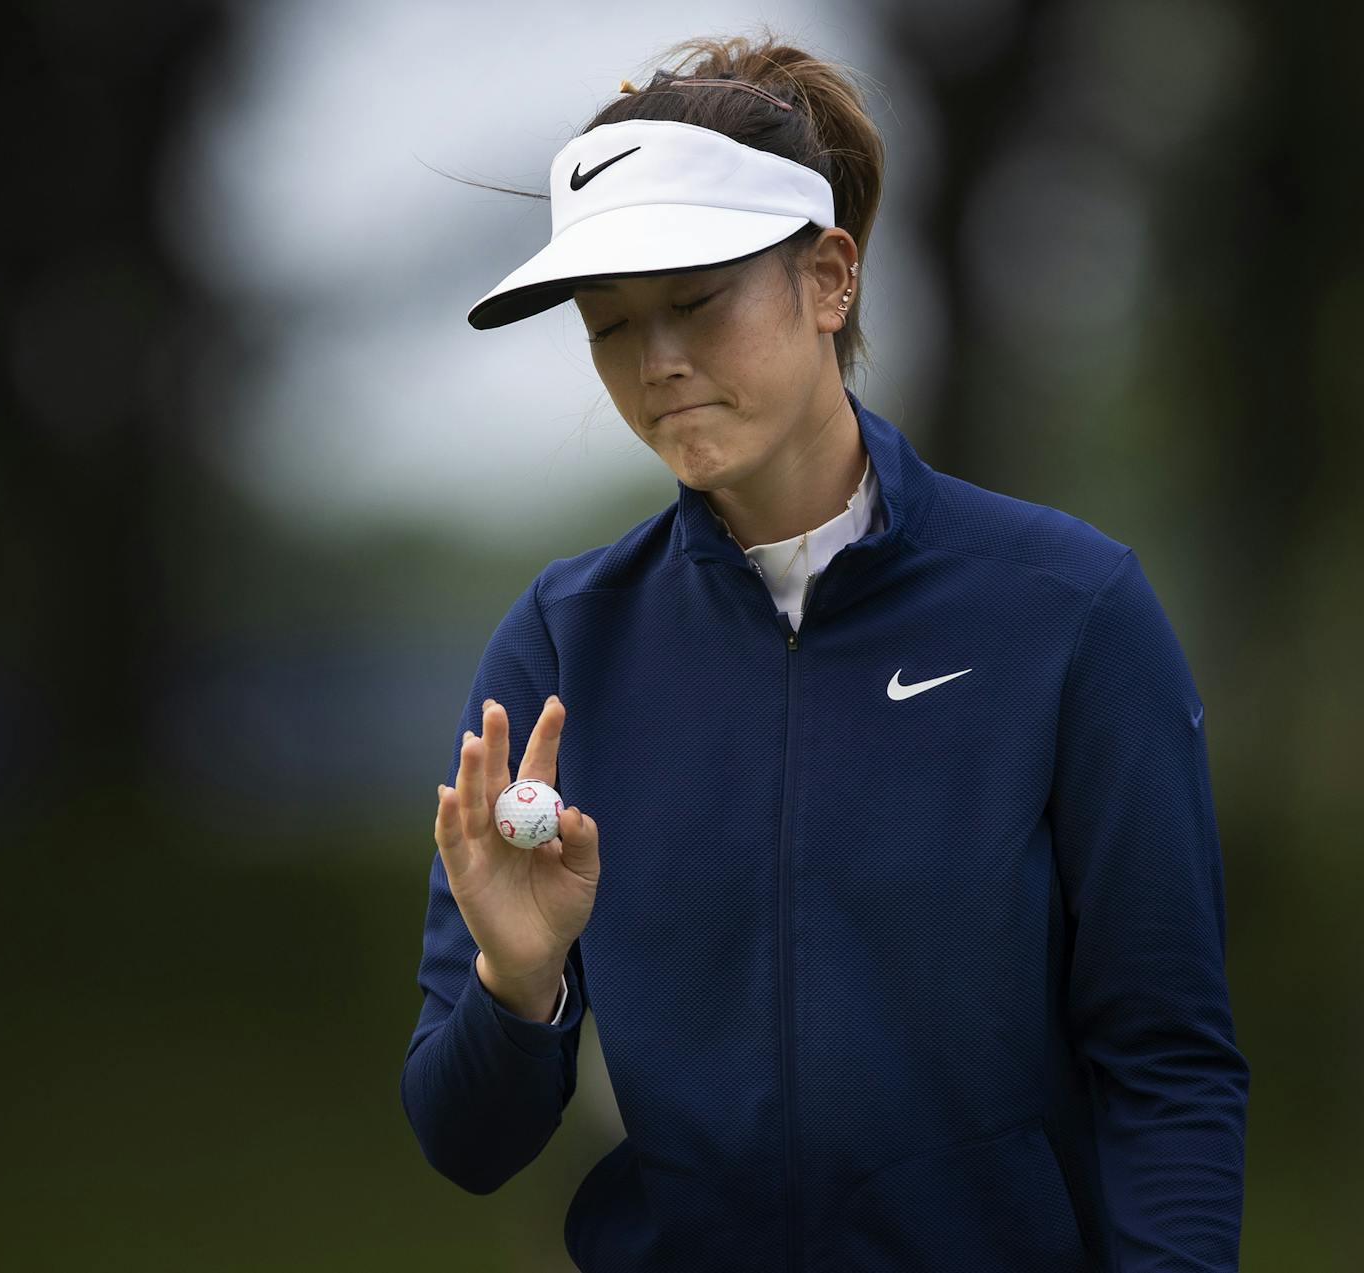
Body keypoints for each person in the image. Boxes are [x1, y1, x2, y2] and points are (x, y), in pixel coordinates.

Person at [399, 31, 1249, 1273]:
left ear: (829, 279)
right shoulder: (562, 643)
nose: (656, 364)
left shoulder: (1067, 610)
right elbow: (462, 1138)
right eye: (609, 324)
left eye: (694, 301)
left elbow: (1165, 1062)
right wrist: (517, 983)